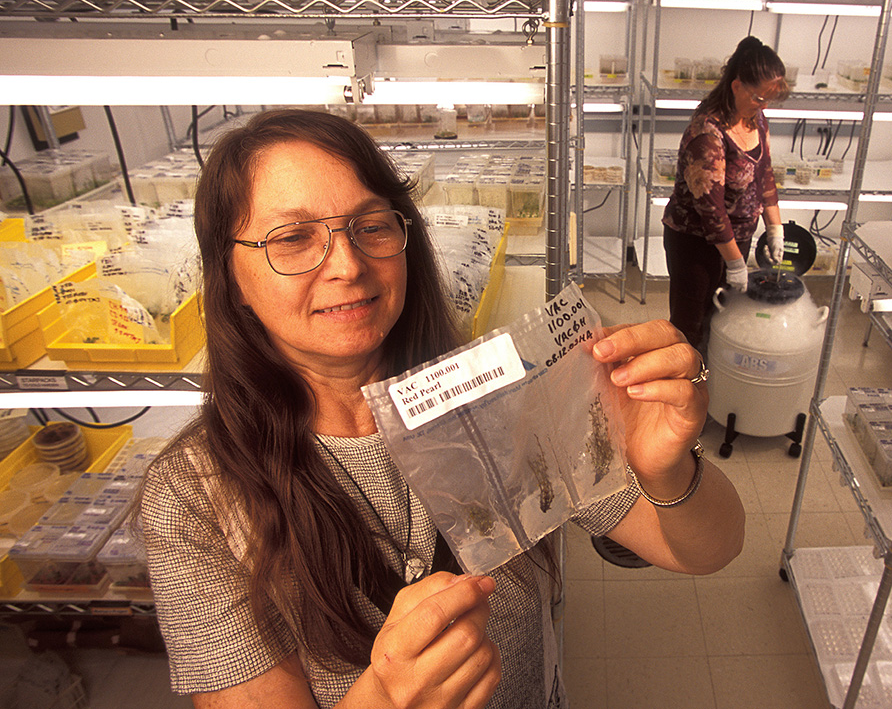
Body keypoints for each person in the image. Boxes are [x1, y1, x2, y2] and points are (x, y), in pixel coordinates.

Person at [137, 108, 744, 709]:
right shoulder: (192, 494)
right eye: (292, 239)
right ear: (229, 276)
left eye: (370, 225)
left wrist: (667, 469)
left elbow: (711, 548)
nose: (347, 266)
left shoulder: (500, 395)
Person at [662, 36, 790, 350]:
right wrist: (735, 264)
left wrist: (775, 228)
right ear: (737, 86)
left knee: (721, 321)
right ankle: (686, 388)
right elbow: (712, 212)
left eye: (769, 99)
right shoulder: (707, 131)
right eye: (760, 97)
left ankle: (709, 384)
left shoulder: (755, 118)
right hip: (697, 244)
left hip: (735, 240)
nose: (765, 106)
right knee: (690, 326)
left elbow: (765, 173)